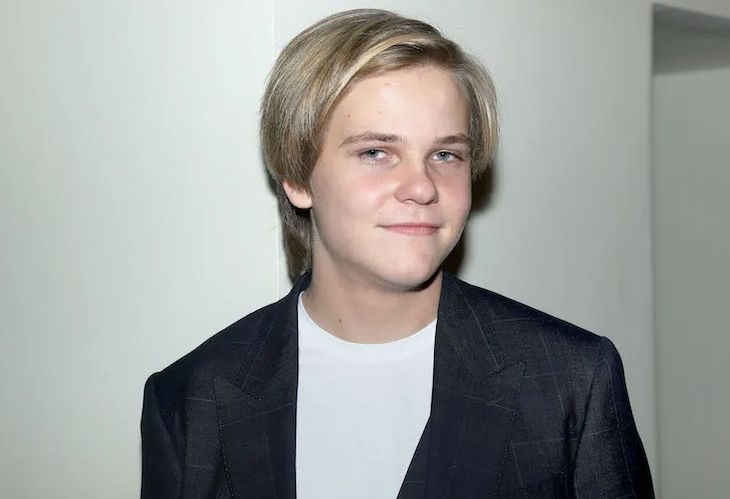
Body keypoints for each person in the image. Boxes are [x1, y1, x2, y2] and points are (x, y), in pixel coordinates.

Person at [140, 8, 654, 499]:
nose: (422, 186)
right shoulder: (191, 396)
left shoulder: (570, 379)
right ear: (297, 178)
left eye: (445, 154)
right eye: (376, 152)